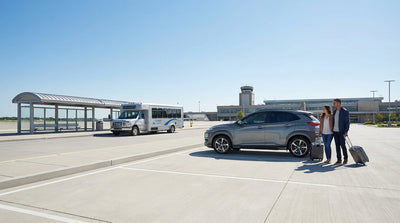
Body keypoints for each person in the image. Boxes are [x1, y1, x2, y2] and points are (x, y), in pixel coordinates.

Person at [332, 98, 350, 165]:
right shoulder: (334, 112)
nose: (333, 104)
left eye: (334, 103)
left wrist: (346, 131)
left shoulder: (345, 111)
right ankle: (339, 160)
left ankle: (345, 159)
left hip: (342, 131)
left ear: (338, 103)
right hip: (335, 131)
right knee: (337, 146)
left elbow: (347, 122)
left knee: (343, 145)